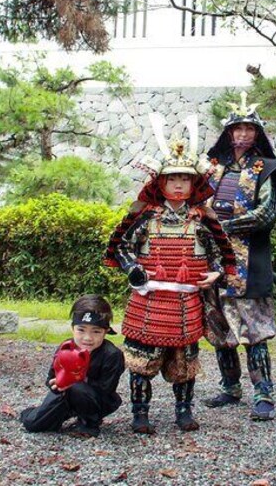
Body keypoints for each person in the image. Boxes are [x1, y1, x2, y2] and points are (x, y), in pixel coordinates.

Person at [105, 114, 236, 434]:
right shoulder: (145, 216)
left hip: (186, 303)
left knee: (185, 365)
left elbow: (222, 254)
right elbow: (119, 247)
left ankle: (183, 412)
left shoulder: (203, 218)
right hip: (149, 300)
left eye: (185, 179)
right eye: (172, 178)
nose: (179, 184)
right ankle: (140, 415)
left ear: (194, 184)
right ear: (160, 182)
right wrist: (134, 269)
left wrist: (216, 273)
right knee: (140, 364)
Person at [203, 92, 276, 421]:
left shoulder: (267, 169)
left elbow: (266, 213)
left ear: (257, 134)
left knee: (253, 330)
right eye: (236, 129)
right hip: (211, 261)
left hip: (249, 260)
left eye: (248, 130)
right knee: (219, 327)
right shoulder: (212, 169)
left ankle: (264, 392)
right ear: (228, 133)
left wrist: (222, 224)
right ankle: (230, 387)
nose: (242, 135)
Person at [20, 294, 124, 438]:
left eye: (96, 331)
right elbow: (51, 377)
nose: (87, 338)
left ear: (105, 332)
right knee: (33, 424)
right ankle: (35, 412)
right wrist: (57, 385)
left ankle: (89, 423)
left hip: (97, 400)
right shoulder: (66, 348)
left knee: (77, 387)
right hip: (65, 396)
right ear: (72, 328)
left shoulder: (112, 355)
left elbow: (106, 389)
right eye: (81, 330)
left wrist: (75, 381)